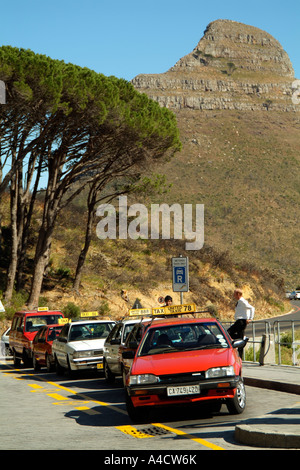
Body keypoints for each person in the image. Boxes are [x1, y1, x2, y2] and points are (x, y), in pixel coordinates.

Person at [227, 288, 255, 357]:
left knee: (228, 333)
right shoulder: (240, 301)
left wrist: (250, 318)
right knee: (232, 335)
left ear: (238, 294)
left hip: (241, 321)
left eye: (234, 294)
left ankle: (240, 355)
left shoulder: (242, 301)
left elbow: (252, 308)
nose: (233, 296)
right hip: (239, 321)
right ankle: (243, 339)